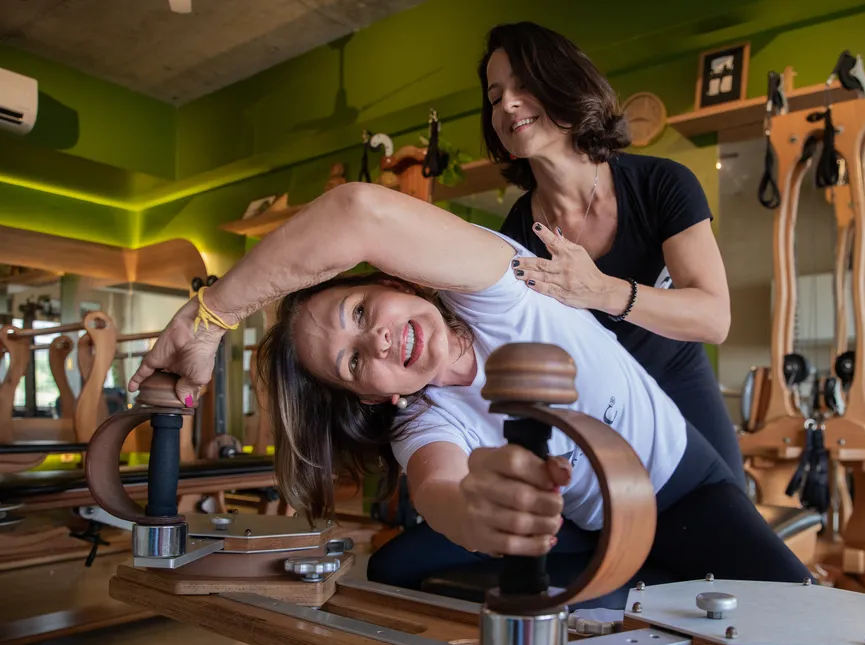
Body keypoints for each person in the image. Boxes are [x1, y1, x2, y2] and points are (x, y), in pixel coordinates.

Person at [129, 182, 808, 608]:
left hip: (682, 485)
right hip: (596, 531)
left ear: (400, 282)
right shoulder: (421, 419)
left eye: (363, 311)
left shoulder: (495, 288)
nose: (380, 342)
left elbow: (358, 211)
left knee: (806, 621)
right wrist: (476, 515)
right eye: (354, 361)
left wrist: (209, 318)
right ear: (371, 395)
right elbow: (441, 489)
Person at [477, 22, 745, 485]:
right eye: (495, 95)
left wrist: (600, 290)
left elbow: (714, 317)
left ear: (562, 82)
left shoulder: (662, 184)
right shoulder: (517, 232)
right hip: (598, 404)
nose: (507, 104)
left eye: (522, 85)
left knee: (728, 523)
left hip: (677, 379)